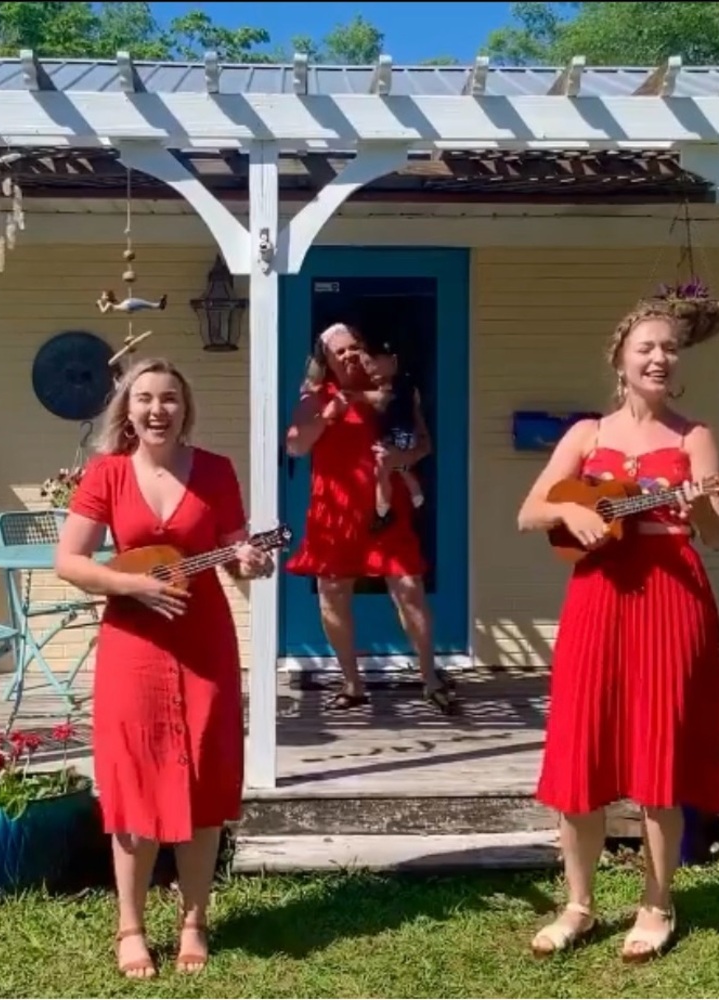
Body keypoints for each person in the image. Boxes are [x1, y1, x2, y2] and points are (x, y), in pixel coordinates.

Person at [516, 296, 719, 962]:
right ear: (620, 359)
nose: (659, 357)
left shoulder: (693, 438)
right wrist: (575, 515)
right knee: (582, 747)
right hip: (598, 600)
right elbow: (530, 511)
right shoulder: (586, 435)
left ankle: (655, 904)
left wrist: (701, 504)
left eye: (669, 348)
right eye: (646, 346)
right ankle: (579, 905)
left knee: (659, 755)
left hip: (672, 600)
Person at [55, 357, 274, 979]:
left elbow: (235, 555)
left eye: (170, 398)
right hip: (133, 647)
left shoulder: (216, 471)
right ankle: (130, 927)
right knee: (133, 783)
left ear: (185, 407)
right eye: (145, 398)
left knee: (203, 782)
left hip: (204, 644)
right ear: (127, 409)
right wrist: (131, 587)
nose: (157, 410)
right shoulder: (107, 474)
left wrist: (251, 565)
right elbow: (70, 561)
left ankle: (195, 920)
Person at [285, 322, 455, 714]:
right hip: (335, 513)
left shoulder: (395, 393)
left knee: (409, 587)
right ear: (325, 359)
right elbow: (295, 445)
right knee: (333, 593)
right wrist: (328, 415)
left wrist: (402, 458)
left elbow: (423, 443)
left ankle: (429, 677)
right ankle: (352, 683)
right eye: (338, 351)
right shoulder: (316, 396)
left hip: (385, 510)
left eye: (354, 346)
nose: (348, 355)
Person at [358, 338, 426, 530]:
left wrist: (401, 458)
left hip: (398, 498)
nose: (371, 366)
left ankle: (385, 511)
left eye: (376, 359)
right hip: (358, 499)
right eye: (367, 361)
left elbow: (425, 444)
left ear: (393, 361)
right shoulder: (357, 397)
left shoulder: (405, 397)